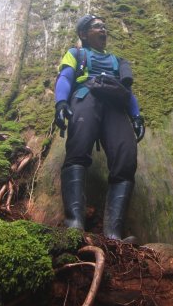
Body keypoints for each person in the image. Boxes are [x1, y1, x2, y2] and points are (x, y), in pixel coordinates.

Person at [54, 14, 145, 241]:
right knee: (77, 149)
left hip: (115, 106)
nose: (103, 30)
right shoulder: (76, 54)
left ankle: (113, 233)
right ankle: (74, 221)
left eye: (104, 27)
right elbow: (65, 77)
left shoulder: (118, 61)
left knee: (126, 157)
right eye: (97, 27)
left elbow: (128, 92)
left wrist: (136, 116)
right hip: (86, 96)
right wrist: (61, 102)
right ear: (84, 34)